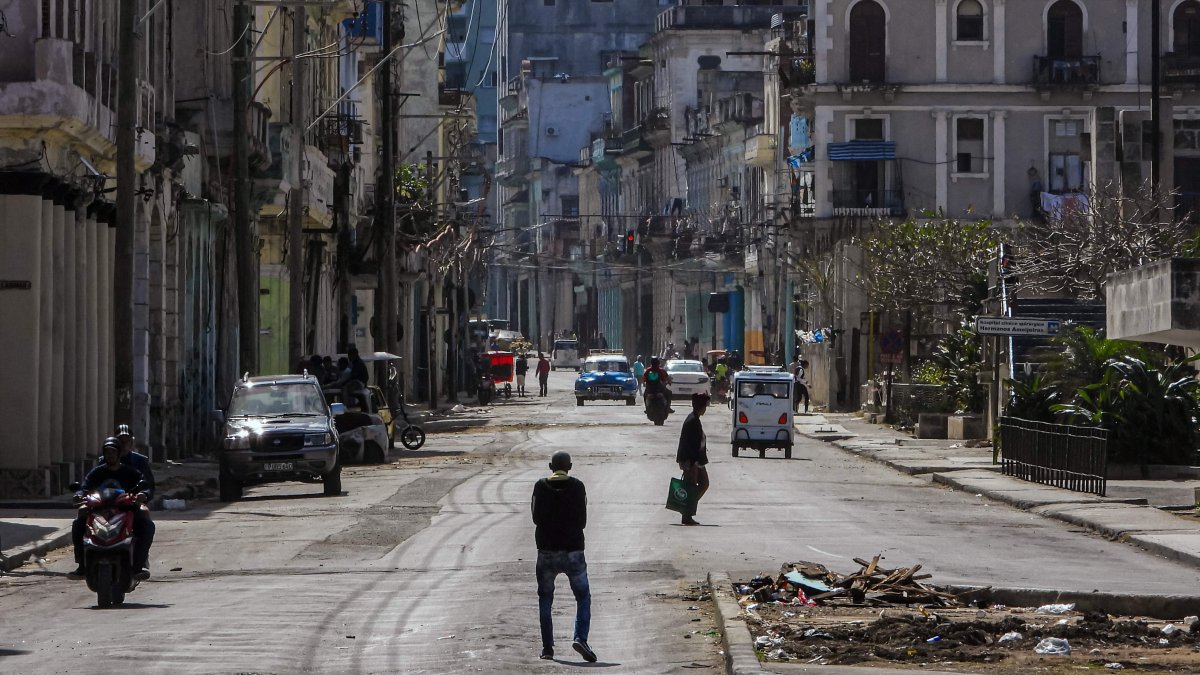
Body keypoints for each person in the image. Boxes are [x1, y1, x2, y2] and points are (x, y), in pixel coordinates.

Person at [531, 451, 596, 663]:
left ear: (551, 466)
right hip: (573, 551)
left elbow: (535, 518)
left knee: (545, 599)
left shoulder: (540, 486)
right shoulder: (578, 487)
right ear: (570, 466)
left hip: (546, 552)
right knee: (583, 597)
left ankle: (548, 648)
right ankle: (580, 638)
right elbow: (583, 521)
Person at [68, 437, 155, 581]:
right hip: (99, 509)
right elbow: (84, 487)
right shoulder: (97, 472)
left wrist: (143, 494)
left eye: (113, 452)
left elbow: (145, 485)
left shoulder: (129, 472)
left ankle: (139, 565)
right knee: (78, 522)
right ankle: (82, 565)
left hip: (125, 508)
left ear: (119, 454)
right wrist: (79, 495)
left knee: (147, 525)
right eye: (107, 452)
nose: (110, 455)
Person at [675, 392, 711, 526]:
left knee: (704, 484)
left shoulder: (695, 419)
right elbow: (688, 444)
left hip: (697, 460)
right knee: (691, 487)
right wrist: (689, 462)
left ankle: (688, 509)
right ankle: (687, 514)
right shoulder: (692, 421)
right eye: (704, 406)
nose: (705, 409)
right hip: (691, 461)